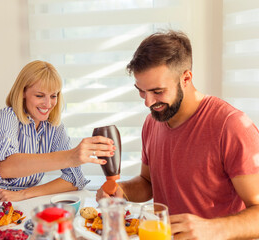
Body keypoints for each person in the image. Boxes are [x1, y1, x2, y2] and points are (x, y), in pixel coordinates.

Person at [96, 30, 259, 239]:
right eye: (141, 91)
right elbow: (148, 183)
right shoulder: (153, 121)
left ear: (186, 78)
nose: (148, 102)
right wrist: (122, 190)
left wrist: (213, 229)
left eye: (157, 91)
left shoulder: (231, 126)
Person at [0, 60, 115, 221]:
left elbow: (73, 180)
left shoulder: (54, 127)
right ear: (23, 93)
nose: (48, 104)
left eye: (54, 95)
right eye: (39, 95)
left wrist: (23, 194)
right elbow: (6, 167)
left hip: (16, 206)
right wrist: (70, 156)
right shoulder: (6, 117)